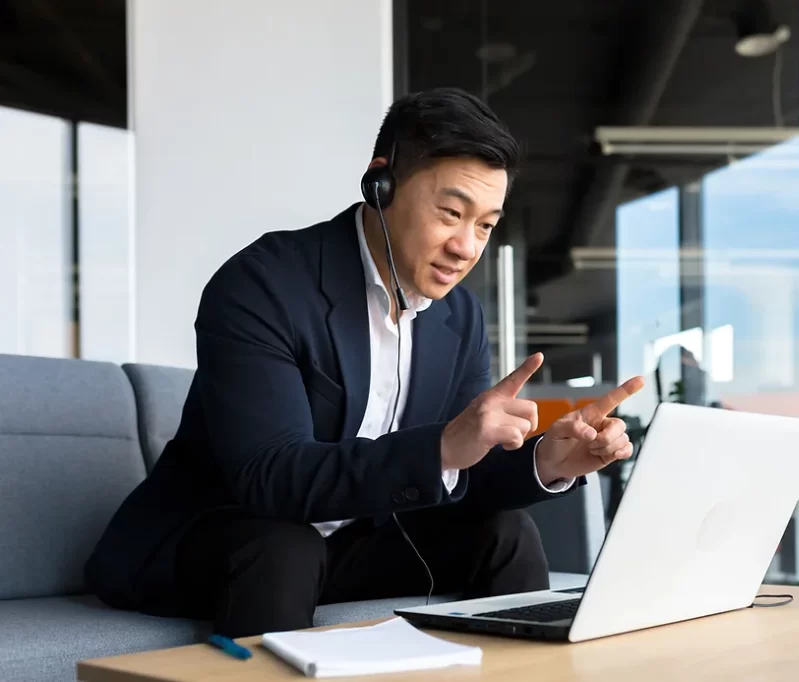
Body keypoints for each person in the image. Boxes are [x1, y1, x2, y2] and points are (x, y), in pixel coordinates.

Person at [84, 87, 644, 638]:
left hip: (352, 543)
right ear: (381, 184)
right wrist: (442, 446)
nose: (467, 246)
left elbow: (462, 475)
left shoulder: (459, 318)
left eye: (486, 225)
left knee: (505, 531)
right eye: (451, 213)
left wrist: (550, 461)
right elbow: (269, 476)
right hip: (221, 539)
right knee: (285, 546)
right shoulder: (264, 284)